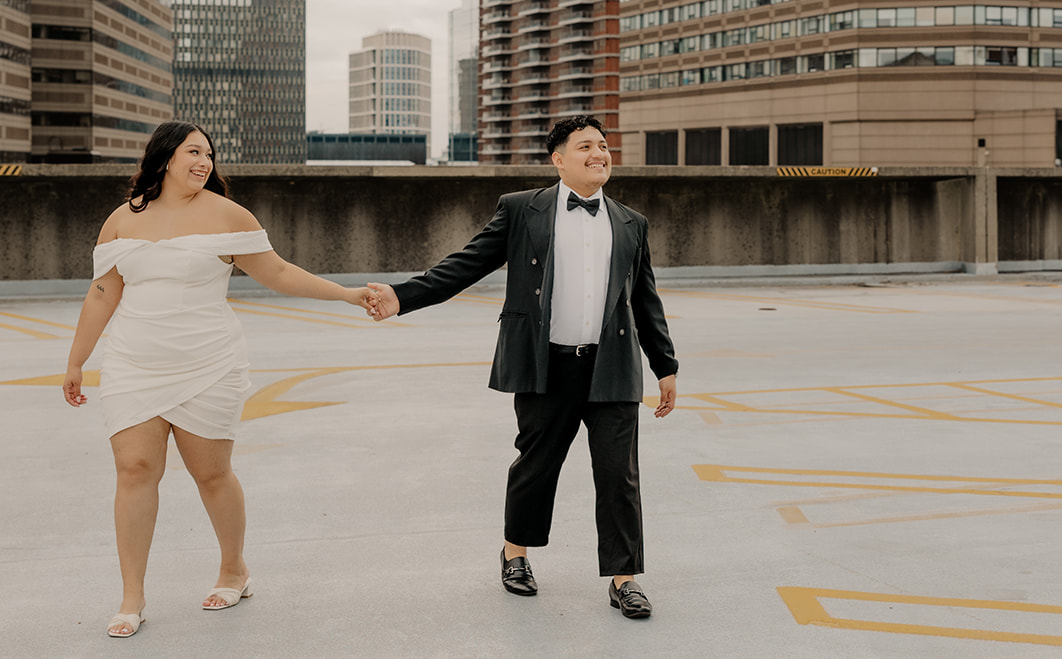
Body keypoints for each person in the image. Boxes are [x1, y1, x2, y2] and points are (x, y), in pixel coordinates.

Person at [63, 120, 379, 638]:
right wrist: (77, 360)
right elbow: (103, 292)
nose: (203, 161)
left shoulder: (228, 214)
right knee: (135, 470)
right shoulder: (122, 220)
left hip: (208, 362)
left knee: (211, 473)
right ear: (165, 158)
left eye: (208, 153)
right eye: (192, 151)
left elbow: (277, 273)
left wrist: (347, 294)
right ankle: (132, 595)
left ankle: (235, 567)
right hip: (133, 362)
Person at [367, 114, 679, 619]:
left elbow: (645, 300)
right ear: (558, 159)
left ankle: (625, 578)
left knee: (620, 476)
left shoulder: (631, 223)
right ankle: (516, 553)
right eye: (585, 147)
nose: (599, 154)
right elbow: (464, 265)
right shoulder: (521, 210)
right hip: (545, 364)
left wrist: (664, 364)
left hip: (612, 367)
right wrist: (402, 297)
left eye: (603, 146)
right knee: (536, 465)